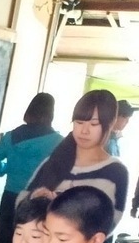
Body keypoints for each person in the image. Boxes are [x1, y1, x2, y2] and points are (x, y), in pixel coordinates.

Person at [24, 89, 128, 221]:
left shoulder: (116, 172)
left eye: (94, 124)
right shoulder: (55, 160)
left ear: (110, 124)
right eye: (79, 122)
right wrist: (36, 200)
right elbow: (22, 203)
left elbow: (111, 221)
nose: (84, 131)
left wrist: (60, 206)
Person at [0, 93, 61, 243]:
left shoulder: (12, 136)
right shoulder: (58, 142)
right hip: (38, 202)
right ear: (51, 113)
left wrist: (5, 169)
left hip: (10, 197)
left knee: (4, 242)